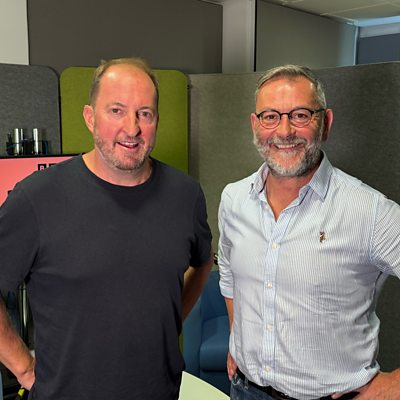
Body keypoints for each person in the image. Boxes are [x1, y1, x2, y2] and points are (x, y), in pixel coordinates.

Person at [0, 57, 213, 400]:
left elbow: (202, 263)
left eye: (145, 113)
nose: (132, 128)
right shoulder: (36, 198)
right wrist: (24, 368)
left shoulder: (185, 195)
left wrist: (170, 319)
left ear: (156, 120)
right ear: (89, 117)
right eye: (116, 110)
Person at [217, 64, 400, 400]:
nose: (285, 131)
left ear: (325, 123)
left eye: (300, 115)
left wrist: (395, 386)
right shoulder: (234, 200)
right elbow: (230, 277)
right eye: (270, 116)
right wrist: (237, 341)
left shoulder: (369, 211)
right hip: (244, 390)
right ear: (255, 125)